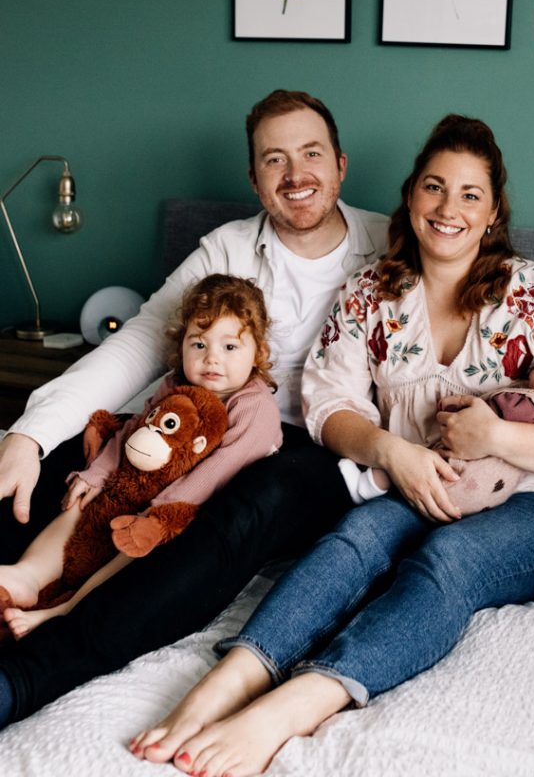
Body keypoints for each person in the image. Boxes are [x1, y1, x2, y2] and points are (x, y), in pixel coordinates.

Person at [128, 113, 534, 777]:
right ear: (410, 197)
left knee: (449, 558)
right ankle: (234, 678)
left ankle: (299, 702)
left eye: (469, 194)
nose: (447, 208)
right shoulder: (371, 293)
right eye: (433, 187)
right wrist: (393, 453)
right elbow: (328, 405)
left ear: (491, 214)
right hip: (419, 479)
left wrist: (498, 434)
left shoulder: (530, 293)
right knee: (353, 539)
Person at [0, 90, 387, 729]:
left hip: (315, 452)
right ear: (254, 177)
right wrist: (28, 435)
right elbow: (138, 344)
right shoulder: (226, 249)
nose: (296, 175)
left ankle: (29, 674)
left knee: (237, 507)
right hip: (197, 421)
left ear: (341, 165)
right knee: (83, 462)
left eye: (311, 154)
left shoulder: (390, 246)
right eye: (274, 159)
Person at [0, 274, 282, 639]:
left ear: (257, 353)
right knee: (84, 500)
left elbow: (215, 473)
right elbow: (133, 429)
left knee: (136, 548)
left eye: (230, 348)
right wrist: (98, 474)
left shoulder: (254, 407)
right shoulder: (175, 384)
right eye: (198, 344)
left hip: (188, 506)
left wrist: (156, 514)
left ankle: (68, 607)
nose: (211, 359)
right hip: (150, 481)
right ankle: (27, 574)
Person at [339, 353, 534, 512]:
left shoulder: (525, 406)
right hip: (487, 495)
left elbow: (484, 413)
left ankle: (368, 486)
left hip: (468, 468)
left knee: (421, 461)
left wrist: (460, 409)